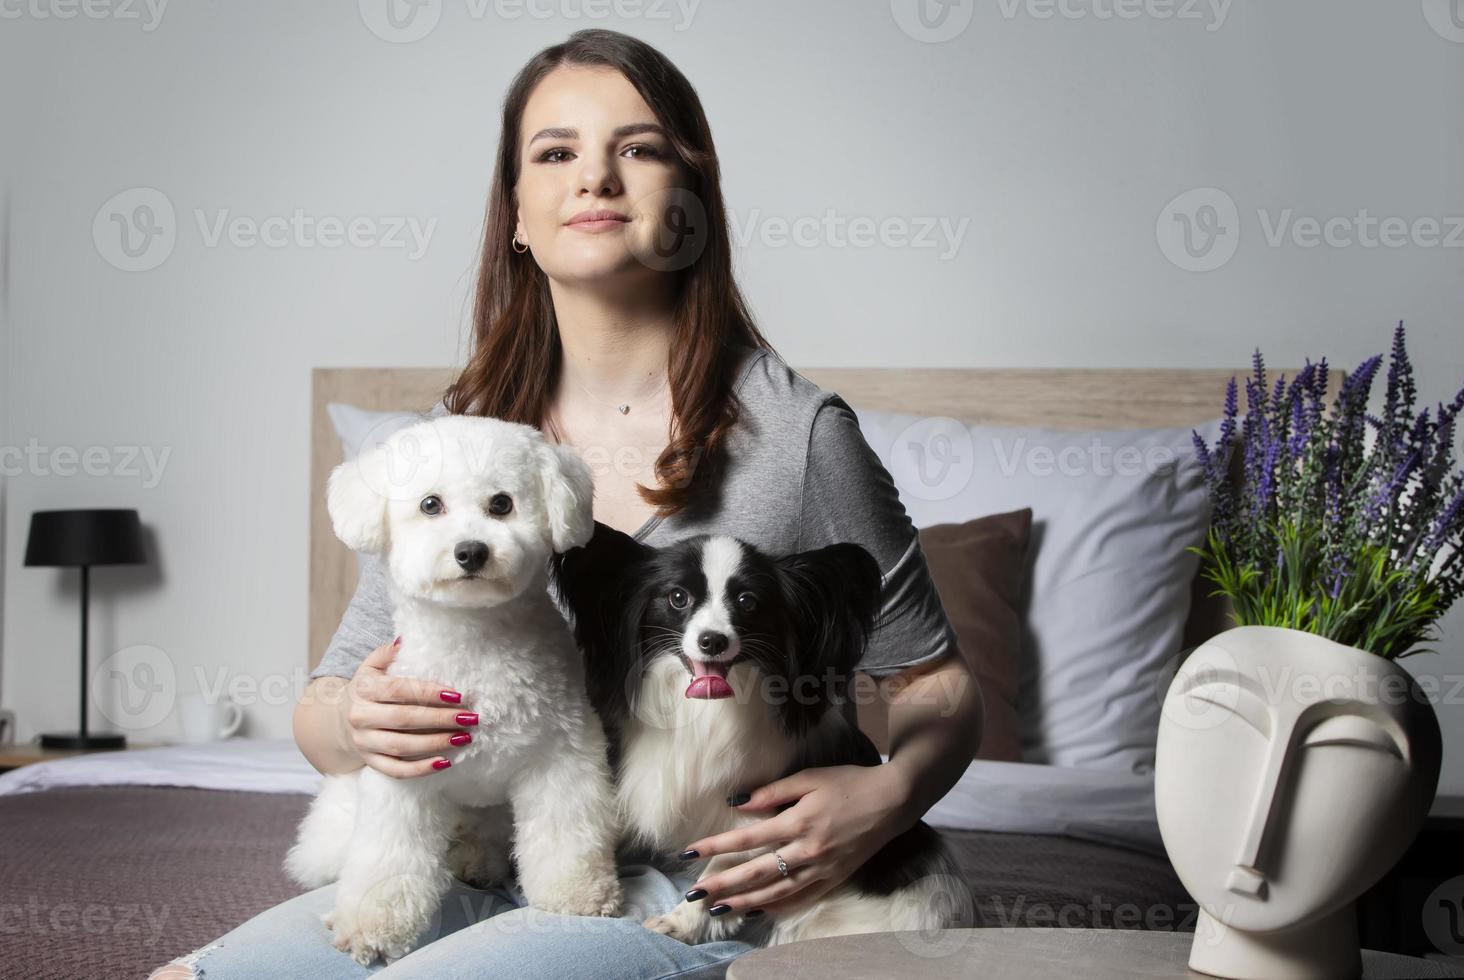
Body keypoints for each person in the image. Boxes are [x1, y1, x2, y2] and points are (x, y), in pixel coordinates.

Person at [153, 27, 982, 980]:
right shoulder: (459, 446)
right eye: (555, 153)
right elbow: (326, 702)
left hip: (700, 890)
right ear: (516, 210)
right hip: (483, 856)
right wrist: (357, 724)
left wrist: (887, 799)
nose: (594, 177)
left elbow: (935, 686)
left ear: (692, 202)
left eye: (637, 148)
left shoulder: (797, 436)